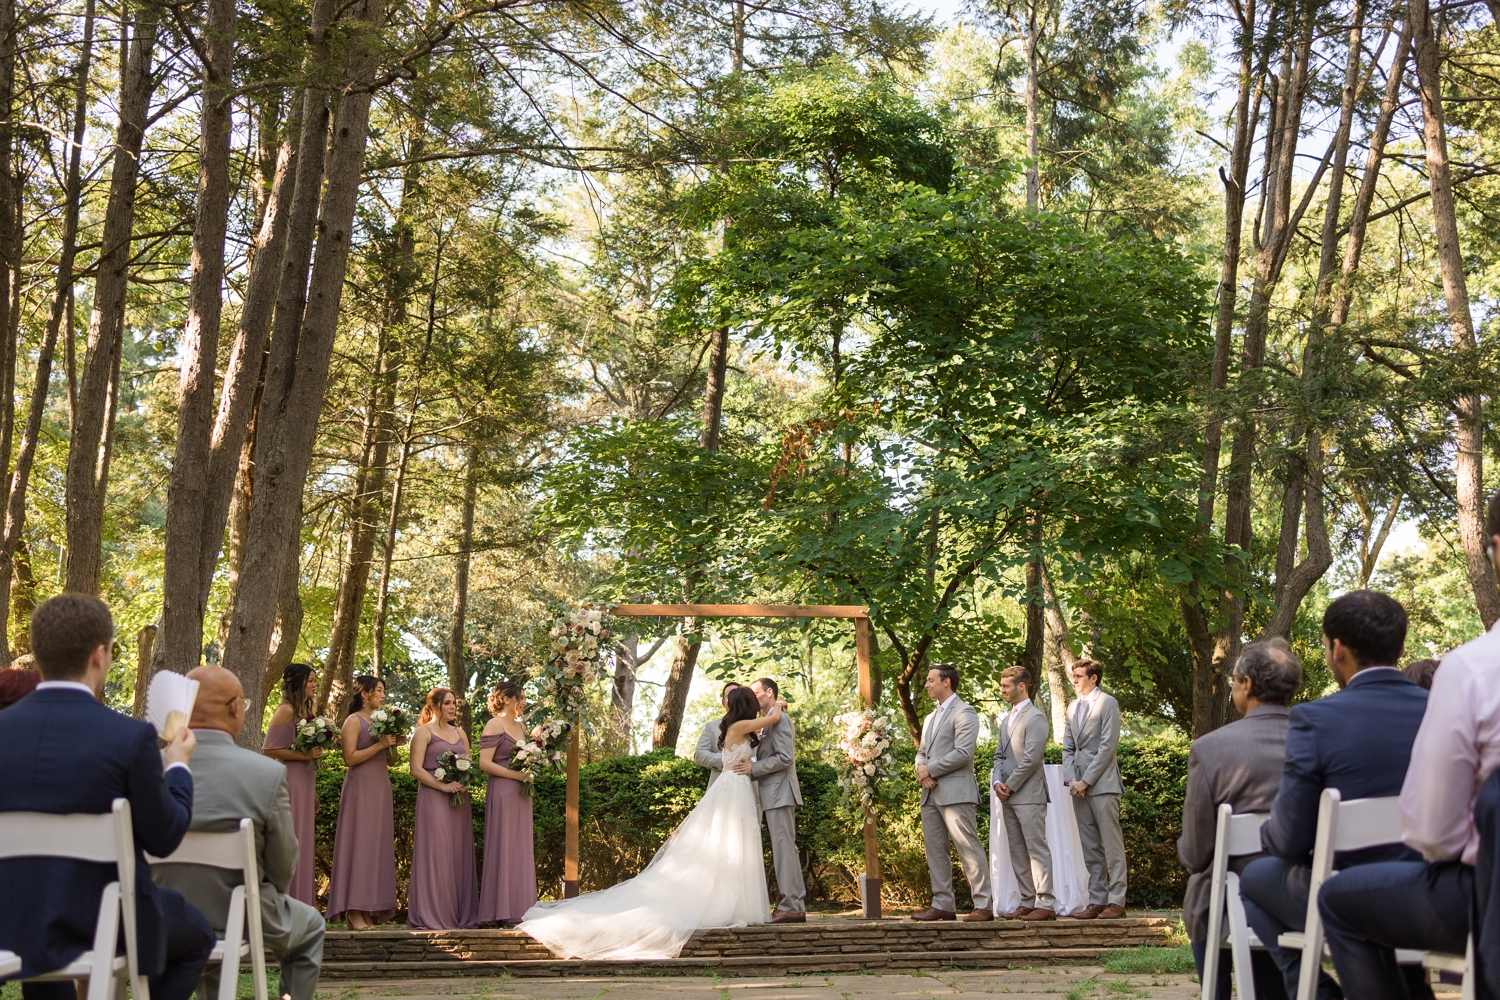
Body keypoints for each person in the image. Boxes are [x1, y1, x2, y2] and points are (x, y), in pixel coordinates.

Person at [1317, 497, 1500, 998]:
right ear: (1400, 647)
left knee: (1338, 900)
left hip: (1486, 893)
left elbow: (1435, 832)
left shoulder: (1472, 670)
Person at [0, 593, 213, 1000]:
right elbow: (164, 837)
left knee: (41, 924)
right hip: (103, 918)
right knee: (198, 935)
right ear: (99, 655)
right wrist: (179, 766)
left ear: (39, 654)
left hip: (8, 917)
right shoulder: (128, 738)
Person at [1239, 590, 1429, 1000]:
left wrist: (1270, 832)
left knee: (1253, 877)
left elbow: (1289, 840)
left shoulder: (1316, 718)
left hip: (1347, 894)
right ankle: (1411, 984)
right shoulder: (1440, 706)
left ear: (1336, 649)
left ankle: (1318, 991)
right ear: (1399, 646)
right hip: (1428, 894)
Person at [517, 687, 784, 958]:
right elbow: (773, 719)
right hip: (734, 789)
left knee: (732, 844)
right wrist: (779, 702)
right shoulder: (740, 725)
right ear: (747, 706)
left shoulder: (736, 726)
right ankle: (725, 904)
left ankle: (733, 902)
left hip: (735, 787)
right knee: (729, 843)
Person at [153, 666, 326, 1000]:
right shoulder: (267, 773)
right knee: (312, 927)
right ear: (235, 708)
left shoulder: (145, 768)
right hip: (243, 910)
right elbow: (281, 866)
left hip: (158, 912)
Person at [1177, 639, 1299, 1000]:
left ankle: (1215, 991)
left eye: (1232, 680)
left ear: (1246, 685)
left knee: (1204, 887)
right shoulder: (1321, 739)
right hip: (1301, 899)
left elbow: (1196, 853)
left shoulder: (1211, 748)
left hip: (1229, 905)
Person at [912, 663, 993, 922]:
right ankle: (943, 904)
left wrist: (930, 771)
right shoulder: (929, 718)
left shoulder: (965, 712)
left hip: (957, 792)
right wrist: (921, 771)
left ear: (946, 682)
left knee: (968, 849)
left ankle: (983, 904)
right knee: (935, 850)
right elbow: (922, 753)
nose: (926, 685)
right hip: (930, 794)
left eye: (930, 680)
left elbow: (963, 753)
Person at [325, 674, 398, 929]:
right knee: (360, 845)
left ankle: (369, 909)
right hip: (360, 788)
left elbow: (392, 761)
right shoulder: (352, 721)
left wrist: (393, 743)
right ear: (365, 694)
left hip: (381, 787)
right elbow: (349, 758)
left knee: (376, 847)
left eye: (384, 691)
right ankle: (353, 911)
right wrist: (379, 746)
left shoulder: (383, 722)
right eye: (379, 690)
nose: (383, 695)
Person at [407, 687, 479, 929]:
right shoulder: (422, 732)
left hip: (459, 799)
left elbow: (469, 764)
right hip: (434, 798)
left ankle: (461, 914)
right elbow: (415, 769)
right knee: (436, 853)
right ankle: (434, 914)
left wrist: (463, 781)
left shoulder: (460, 732)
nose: (452, 707)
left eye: (454, 703)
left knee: (458, 853)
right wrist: (442, 786)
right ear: (434, 705)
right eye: (447, 703)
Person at [1062, 658, 1127, 919]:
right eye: (1073, 676)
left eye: (1079, 676)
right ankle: (1097, 899)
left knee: (1112, 846)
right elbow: (1068, 748)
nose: (1074, 680)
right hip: (1078, 788)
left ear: (1094, 678)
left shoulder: (1108, 703)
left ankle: (1118, 900)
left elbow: (1107, 748)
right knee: (1090, 847)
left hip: (1103, 785)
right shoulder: (1071, 707)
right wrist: (1071, 780)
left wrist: (1086, 780)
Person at [991, 665, 1051, 921]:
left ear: (1021, 686)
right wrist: (996, 783)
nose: (1002, 690)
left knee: (1037, 850)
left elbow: (1032, 758)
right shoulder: (1006, 720)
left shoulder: (1036, 718)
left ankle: (1046, 903)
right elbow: (998, 756)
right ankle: (1027, 901)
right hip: (1007, 795)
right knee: (1017, 850)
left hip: (1029, 795)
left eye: (1006, 686)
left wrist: (1010, 784)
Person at [261, 664, 323, 907]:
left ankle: (301, 905)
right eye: (310, 680)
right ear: (297, 682)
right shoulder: (286, 711)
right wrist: (305, 756)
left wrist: (314, 789)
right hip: (289, 781)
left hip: (305, 783)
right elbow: (269, 749)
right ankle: (284, 904)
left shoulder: (307, 712)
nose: (314, 684)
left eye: (314, 680)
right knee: (291, 839)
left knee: (303, 842)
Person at [477, 681, 537, 926]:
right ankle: (498, 910)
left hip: (522, 793)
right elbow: (484, 763)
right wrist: (515, 776)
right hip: (502, 790)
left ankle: (520, 909)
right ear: (506, 699)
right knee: (503, 844)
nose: (523, 702)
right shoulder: (494, 724)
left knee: (520, 847)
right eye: (520, 697)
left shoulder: (522, 728)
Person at [746, 677, 806, 923]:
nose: (753, 697)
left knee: (784, 850)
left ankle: (790, 904)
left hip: (780, 792)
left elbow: (784, 758)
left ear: (768, 692)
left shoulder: (780, 720)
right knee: (785, 850)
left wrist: (753, 769)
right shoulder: (771, 718)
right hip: (774, 792)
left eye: (756, 692)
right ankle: (795, 904)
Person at [693, 681, 741, 788]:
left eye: (737, 695)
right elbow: (699, 755)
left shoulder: (756, 726)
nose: (734, 699)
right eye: (729, 696)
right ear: (724, 703)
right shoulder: (712, 727)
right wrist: (726, 759)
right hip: (718, 788)